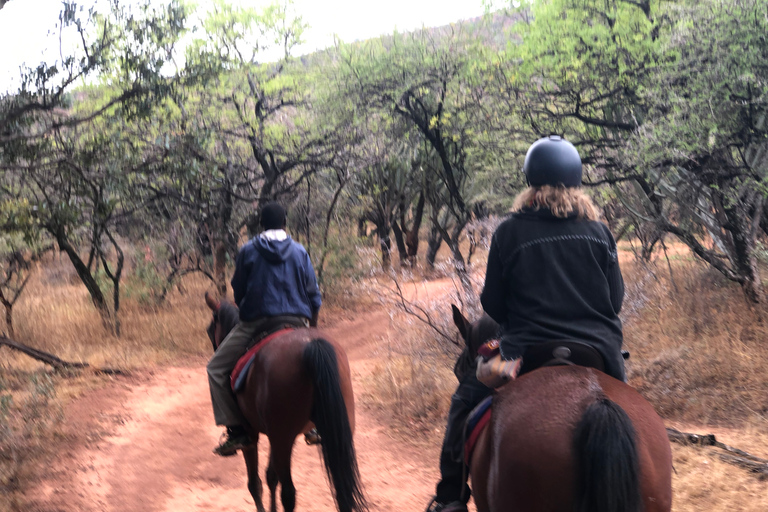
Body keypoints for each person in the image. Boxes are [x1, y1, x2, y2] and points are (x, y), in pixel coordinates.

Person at [426, 135, 625, 512]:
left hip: (520, 354)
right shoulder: (601, 234)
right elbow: (615, 301)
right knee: (626, 408)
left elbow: (494, 306)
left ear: (531, 182)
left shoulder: (509, 231)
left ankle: (450, 496)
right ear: (576, 180)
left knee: (463, 400)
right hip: (599, 352)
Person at [207, 202, 322, 456]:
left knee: (215, 368)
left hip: (256, 324)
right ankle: (319, 423)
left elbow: (238, 289)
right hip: (297, 322)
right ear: (285, 223)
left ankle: (236, 430)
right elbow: (314, 296)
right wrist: (312, 329)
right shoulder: (300, 251)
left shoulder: (247, 250)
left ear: (261, 225)